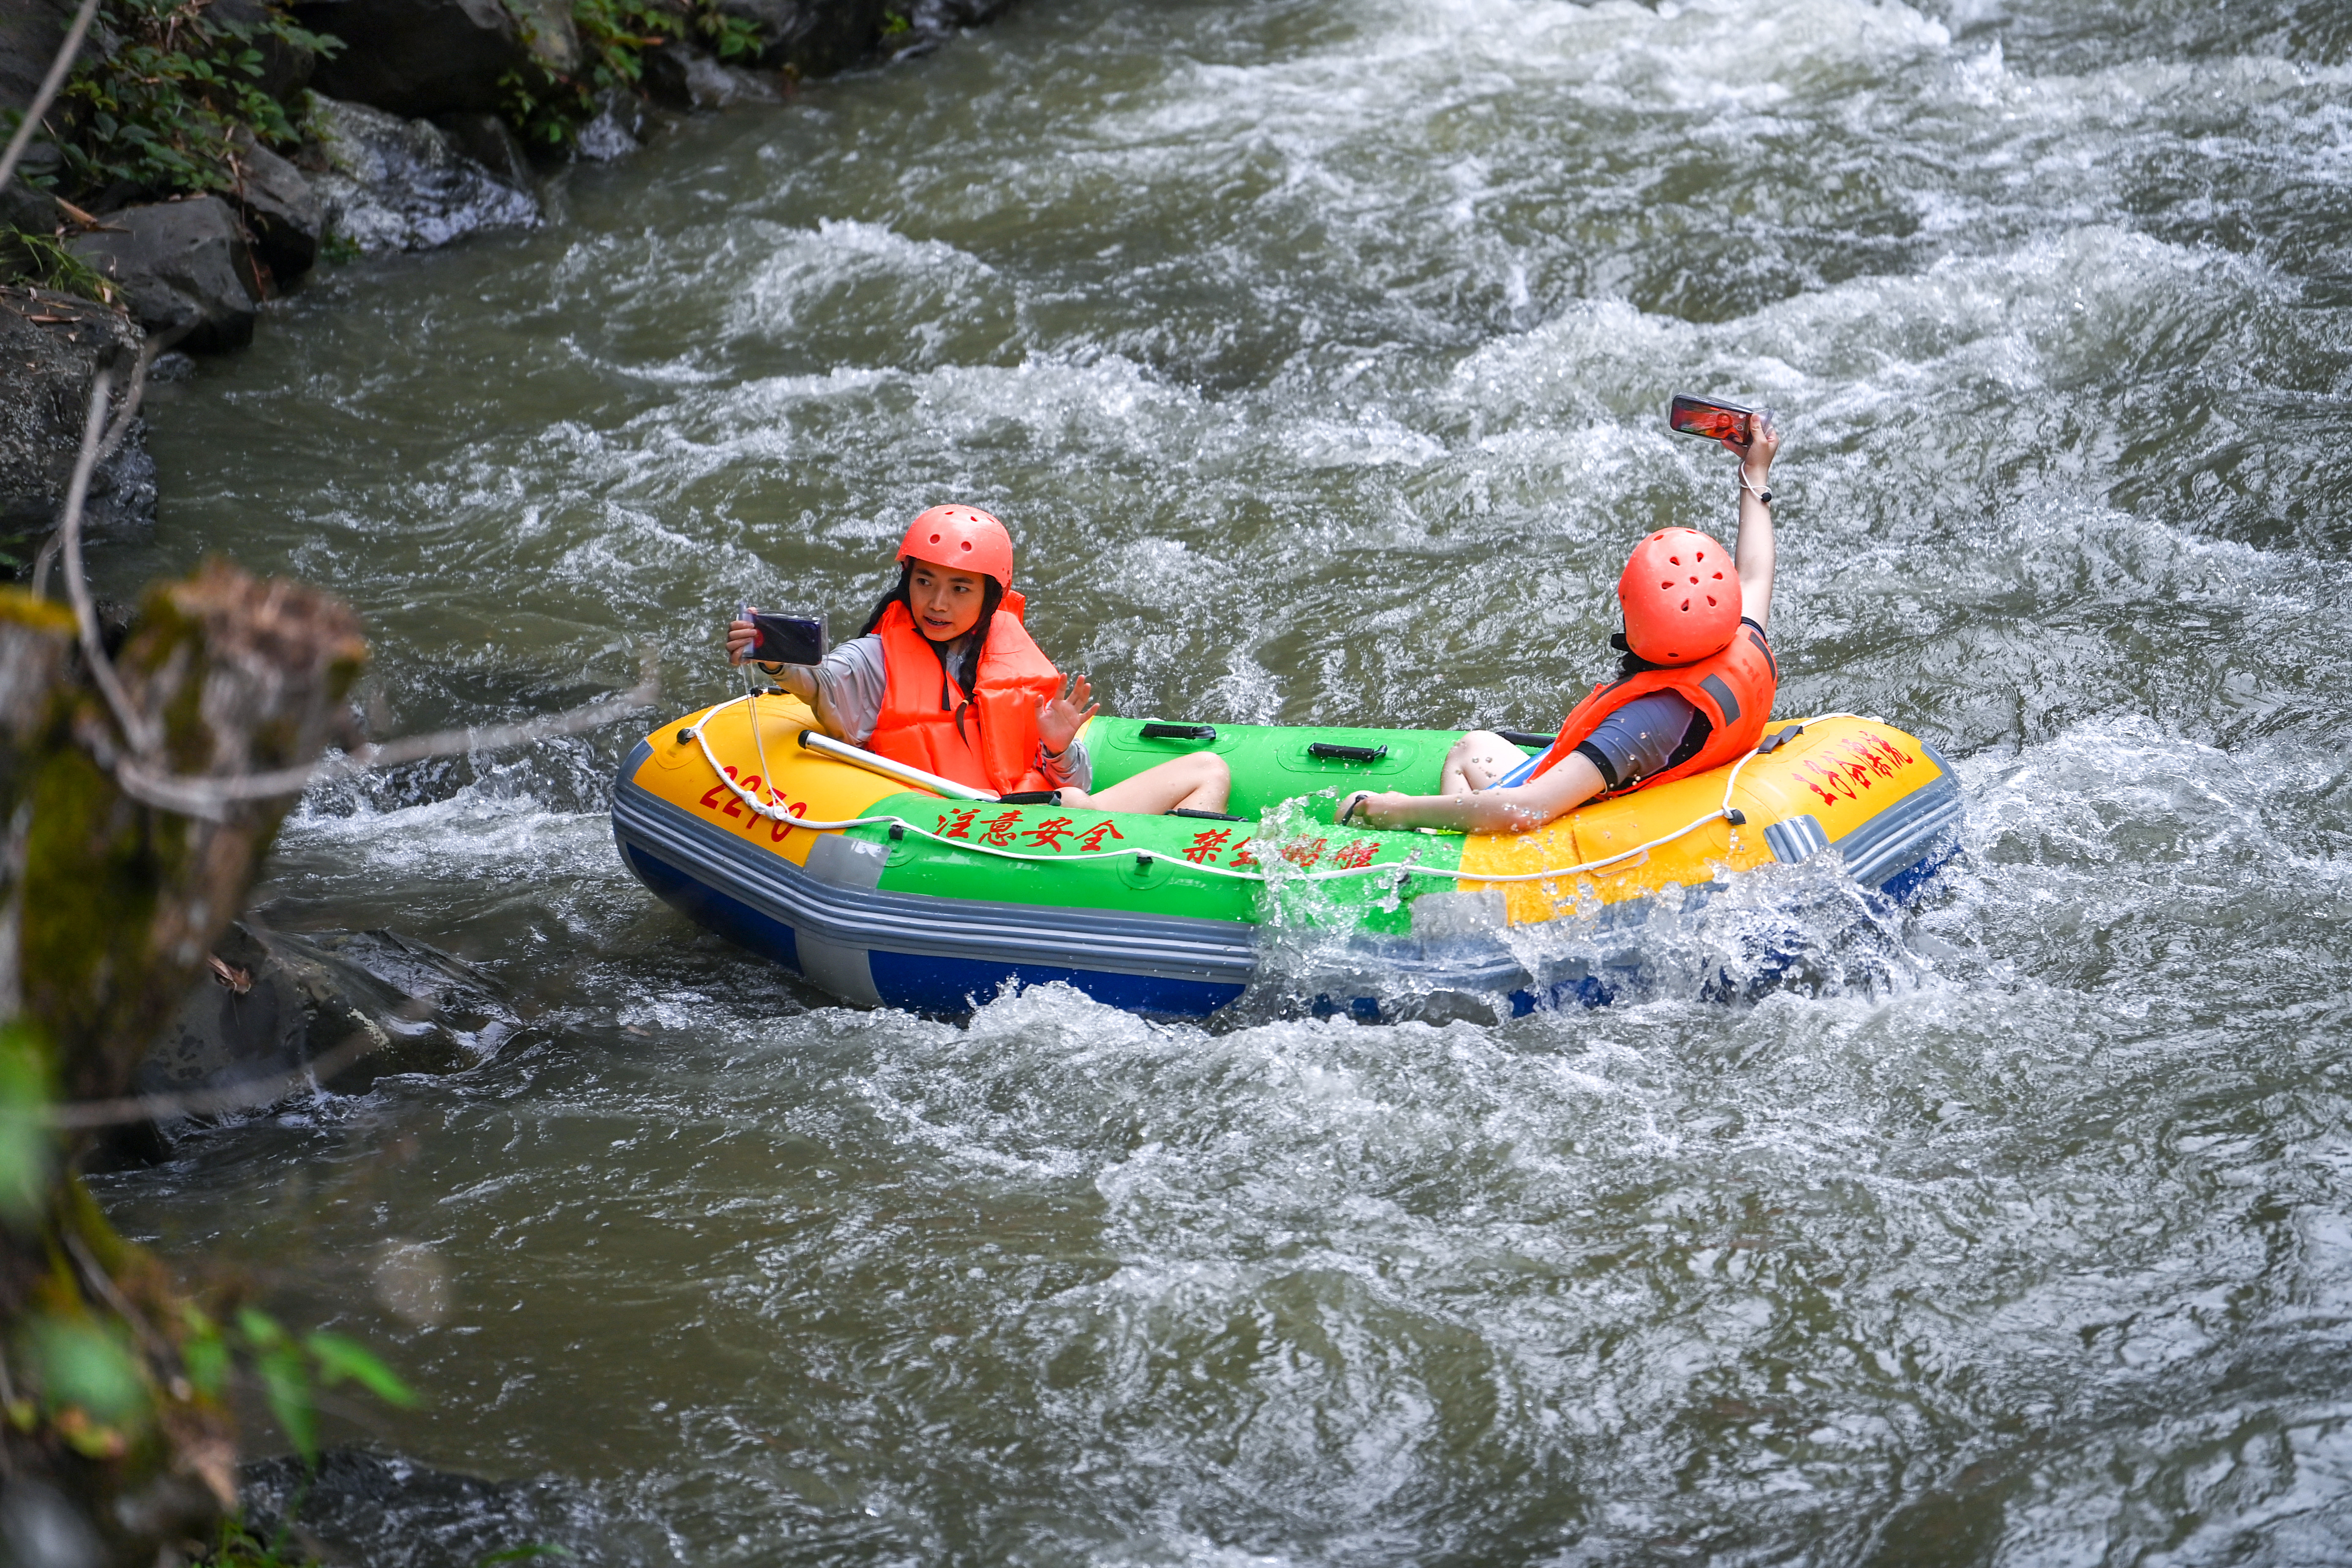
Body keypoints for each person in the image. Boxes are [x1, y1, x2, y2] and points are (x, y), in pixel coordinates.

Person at [1341, 411, 1782, 835]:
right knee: (1475, 746)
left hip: (1575, 823)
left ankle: (1442, 853)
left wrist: (1393, 810)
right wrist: (1755, 473)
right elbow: (1757, 572)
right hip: (1676, 762)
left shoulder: (1646, 719)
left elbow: (1529, 807)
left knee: (1398, 784)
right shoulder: (1738, 636)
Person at [728, 505, 1231, 814]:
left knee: (1208, 768)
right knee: (1076, 806)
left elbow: (1075, 783)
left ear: (991, 598)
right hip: (949, 835)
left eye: (959, 588)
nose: (937, 603)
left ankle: (1188, 876)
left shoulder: (1009, 662)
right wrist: (775, 659)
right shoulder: (875, 659)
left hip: (1038, 824)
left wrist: (1058, 748)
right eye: (924, 582)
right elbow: (818, 683)